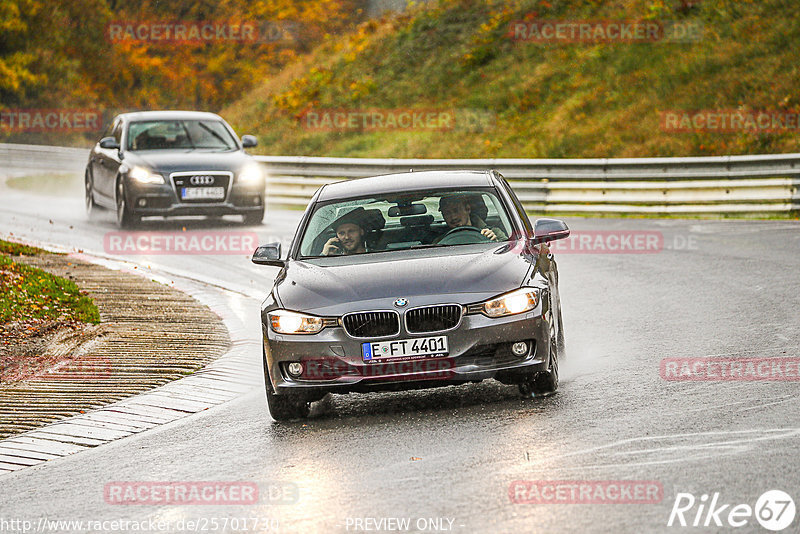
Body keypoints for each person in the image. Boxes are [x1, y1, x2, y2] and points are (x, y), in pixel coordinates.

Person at [436, 194, 507, 242]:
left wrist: (494, 241)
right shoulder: (440, 240)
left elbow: (509, 252)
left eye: (456, 211)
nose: (453, 217)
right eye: (447, 213)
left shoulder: (494, 232)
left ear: (467, 209)